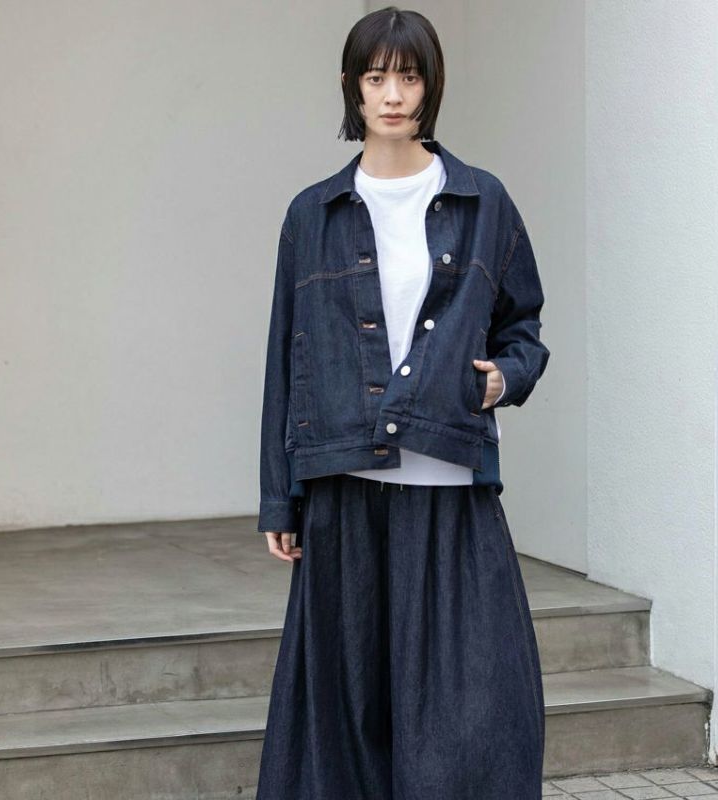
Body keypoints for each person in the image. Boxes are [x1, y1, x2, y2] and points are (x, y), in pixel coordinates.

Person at [255, 7, 550, 799]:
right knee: (345, 715)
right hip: (343, 482)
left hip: (447, 480)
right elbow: (287, 356)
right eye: (376, 76)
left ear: (431, 86)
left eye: (409, 77)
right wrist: (279, 496)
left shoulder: (483, 202)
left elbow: (523, 328)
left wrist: (504, 378)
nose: (392, 95)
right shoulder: (312, 214)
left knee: (475, 709)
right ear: (351, 86)